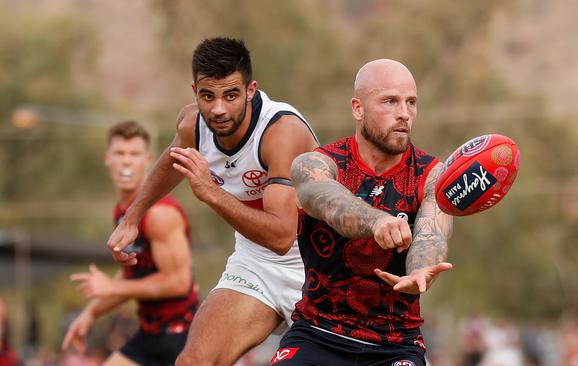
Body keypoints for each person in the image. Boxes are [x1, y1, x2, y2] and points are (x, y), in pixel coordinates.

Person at [106, 37, 319, 365]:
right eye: (208, 96)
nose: (218, 109)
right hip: (255, 264)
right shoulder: (193, 125)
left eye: (230, 95)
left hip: (317, 267)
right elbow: (173, 160)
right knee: (193, 362)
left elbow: (281, 236)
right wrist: (132, 216)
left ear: (250, 90)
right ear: (195, 92)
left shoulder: (280, 132)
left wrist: (211, 193)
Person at [271, 59, 453, 366]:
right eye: (390, 101)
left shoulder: (432, 174)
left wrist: (421, 269)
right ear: (358, 108)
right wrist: (377, 220)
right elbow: (323, 198)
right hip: (317, 333)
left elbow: (431, 233)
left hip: (396, 344)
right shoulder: (317, 163)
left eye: (411, 103)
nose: (404, 114)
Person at [62, 121, 198, 366]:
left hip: (183, 337)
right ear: (107, 159)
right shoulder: (123, 213)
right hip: (150, 335)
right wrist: (90, 313)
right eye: (120, 153)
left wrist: (111, 288)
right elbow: (132, 275)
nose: (126, 161)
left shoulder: (160, 213)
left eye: (134, 154)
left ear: (148, 160)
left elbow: (178, 282)